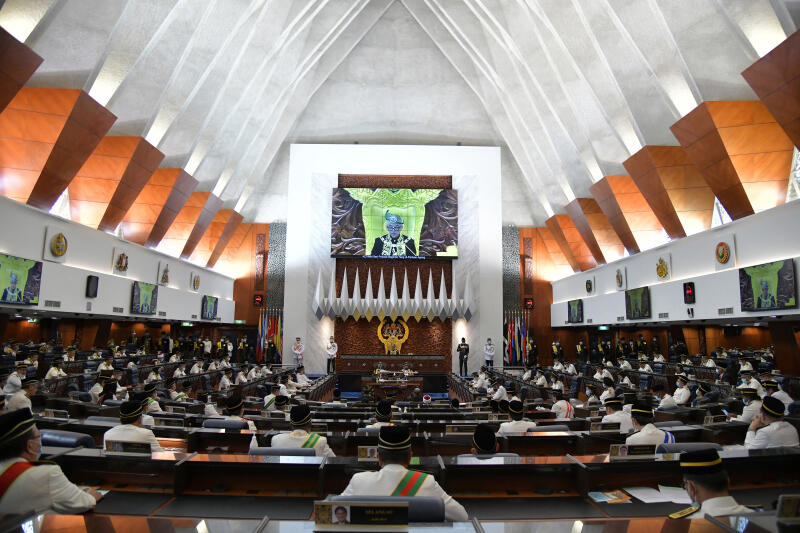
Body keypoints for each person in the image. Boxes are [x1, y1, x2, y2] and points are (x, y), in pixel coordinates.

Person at [339, 425, 467, 521]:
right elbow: (462, 516)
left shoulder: (359, 480)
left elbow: (330, 514)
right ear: (410, 457)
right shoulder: (426, 481)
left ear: (378, 457)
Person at [0, 408, 101, 514]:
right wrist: (89, 494)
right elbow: (85, 502)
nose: (40, 441)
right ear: (30, 446)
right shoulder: (46, 475)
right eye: (38, 437)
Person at [669, 448, 753, 519]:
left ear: (691, 487)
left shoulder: (687, 525)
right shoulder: (756, 517)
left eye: (685, 485)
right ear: (728, 481)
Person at [270, 405, 335, 457]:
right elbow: (333, 461)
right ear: (310, 424)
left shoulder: (276, 439)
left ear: (291, 425)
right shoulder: (320, 441)